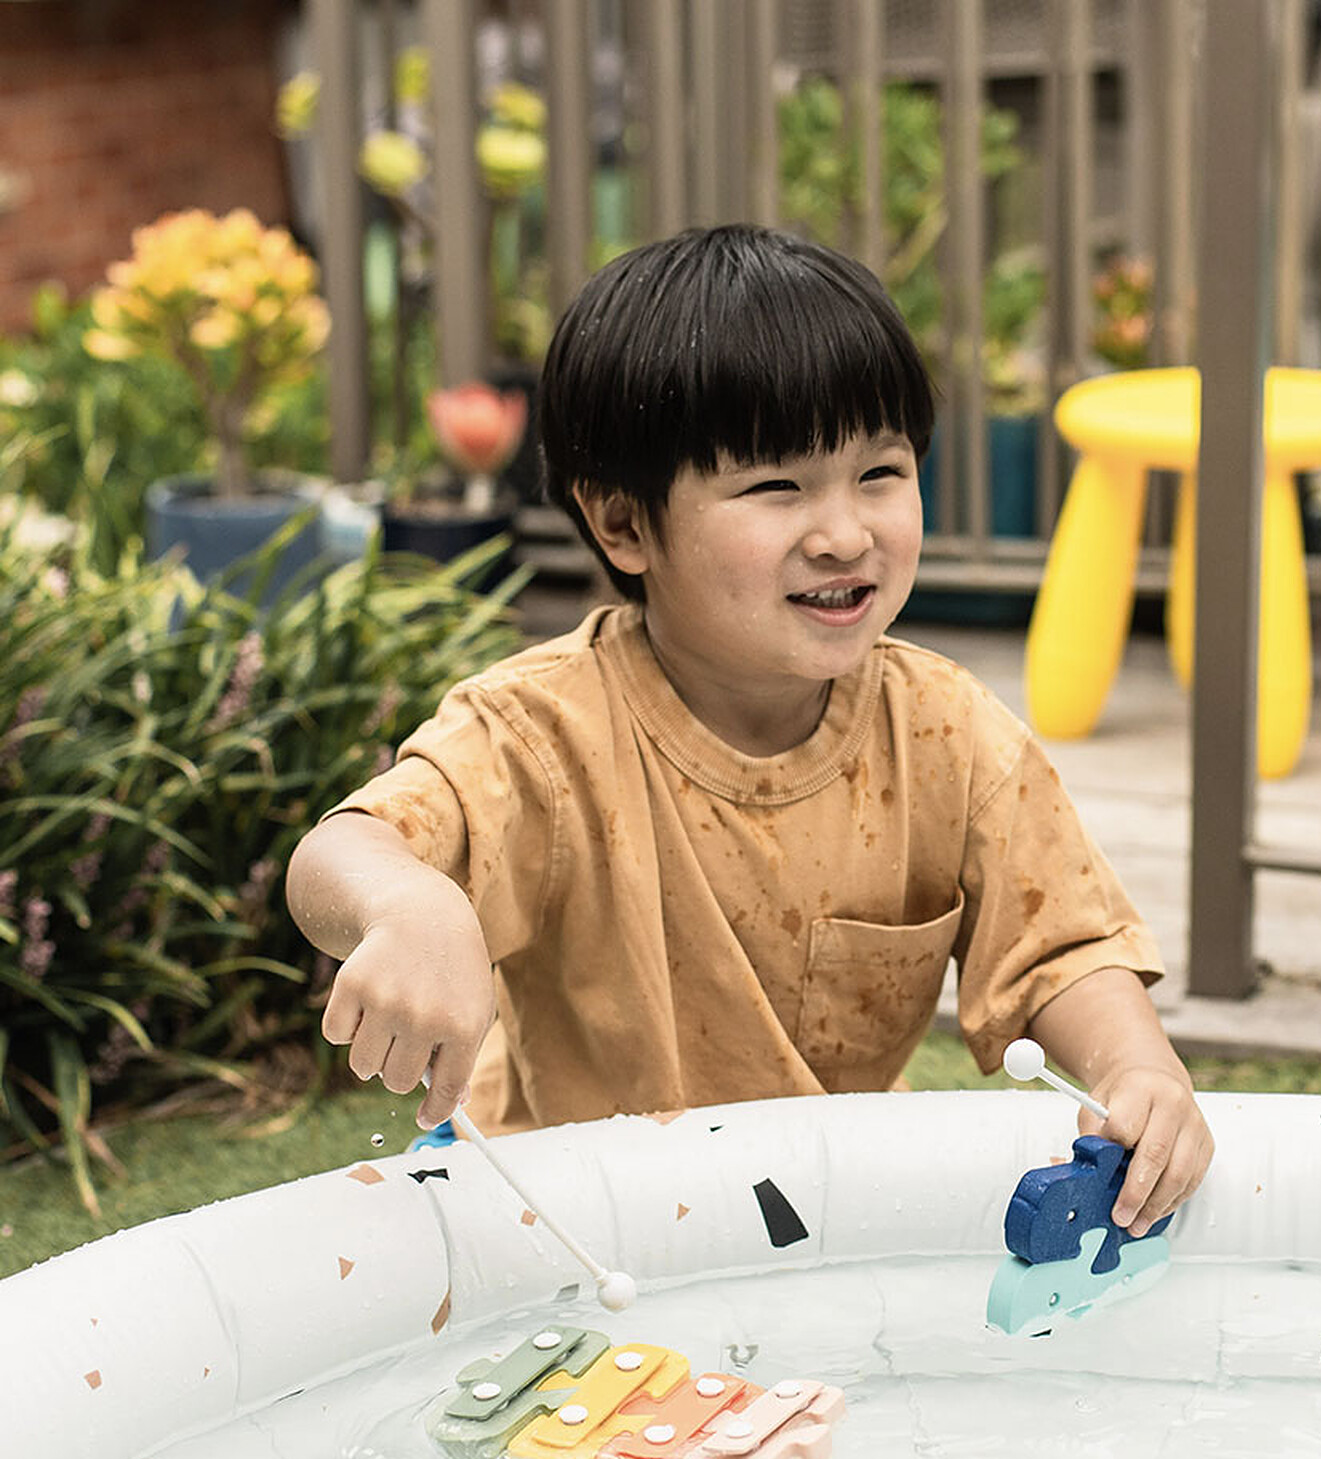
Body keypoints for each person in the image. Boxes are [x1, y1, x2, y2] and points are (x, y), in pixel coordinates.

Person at [286, 224, 1212, 1237]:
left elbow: (1060, 952)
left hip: (827, 1206)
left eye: (880, 472)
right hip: (572, 1217)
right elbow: (340, 852)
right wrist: (410, 901)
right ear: (624, 525)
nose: (845, 533)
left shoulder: (946, 735)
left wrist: (1138, 1068)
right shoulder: (542, 737)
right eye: (777, 488)